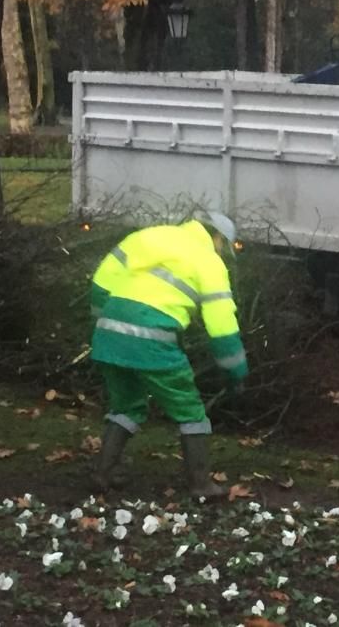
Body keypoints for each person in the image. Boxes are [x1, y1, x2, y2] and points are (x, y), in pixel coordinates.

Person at [89, 211, 249, 498]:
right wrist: (235, 372)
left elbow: (101, 283)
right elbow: (222, 327)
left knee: (126, 406)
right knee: (189, 410)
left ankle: (104, 472)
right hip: (154, 339)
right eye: (224, 247)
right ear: (217, 238)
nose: (223, 253)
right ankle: (200, 484)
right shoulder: (209, 261)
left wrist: (108, 325)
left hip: (108, 332)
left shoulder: (150, 235)